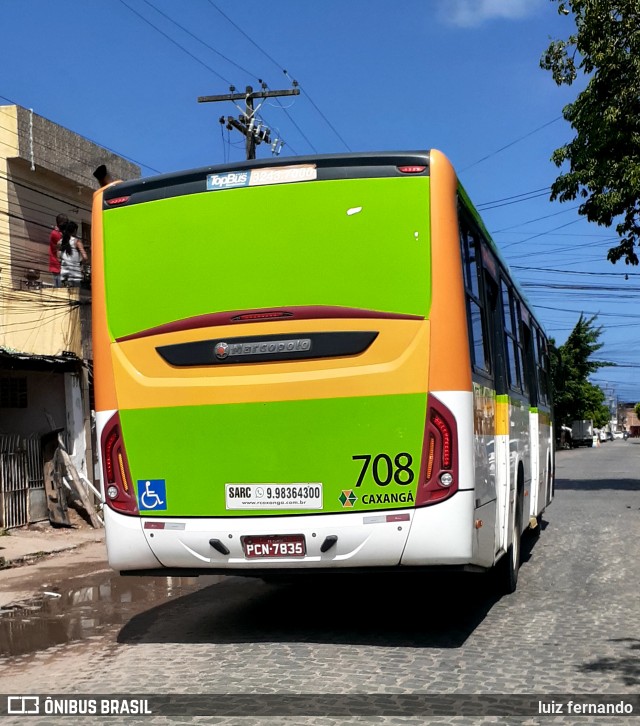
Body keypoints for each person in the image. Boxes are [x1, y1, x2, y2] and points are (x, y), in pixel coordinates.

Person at [58, 220, 88, 287]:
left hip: (64, 276)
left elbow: (59, 258)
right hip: (75, 276)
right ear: (75, 231)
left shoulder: (60, 242)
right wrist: (80, 263)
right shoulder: (77, 242)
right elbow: (85, 257)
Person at [49, 213, 68, 287]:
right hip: (57, 266)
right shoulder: (55, 234)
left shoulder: (60, 233)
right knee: (59, 289)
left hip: (63, 266)